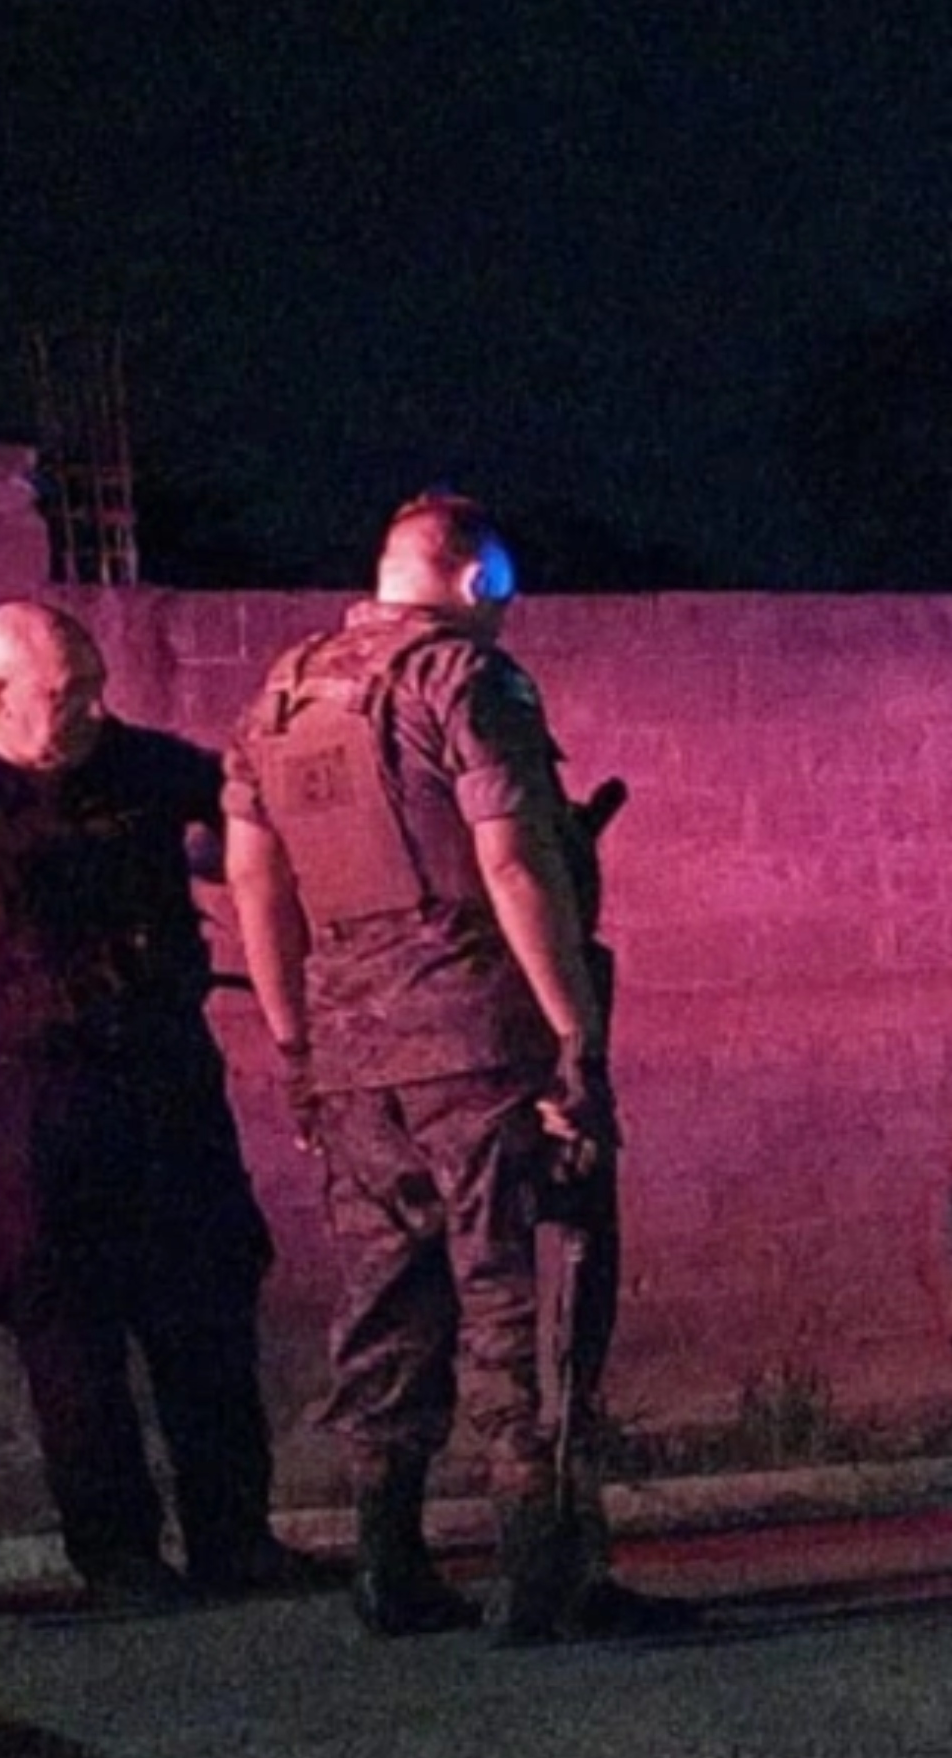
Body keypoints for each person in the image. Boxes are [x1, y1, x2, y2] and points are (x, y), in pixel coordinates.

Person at [222, 494, 686, 1643]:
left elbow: (257, 887)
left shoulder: (278, 697)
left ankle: (389, 1565)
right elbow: (516, 861)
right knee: (518, 1301)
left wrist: (294, 1045)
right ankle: (546, 1571)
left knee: (386, 1305)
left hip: (352, 1063)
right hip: (478, 1046)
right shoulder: (466, 682)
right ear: (475, 581)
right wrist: (573, 1036)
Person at [0, 600, 331, 1611]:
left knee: (206, 1306)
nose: (88, 708)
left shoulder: (150, 770)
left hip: (165, 1081)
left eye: (91, 685)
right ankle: (119, 1558)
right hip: (33, 1097)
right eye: (61, 695)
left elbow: (245, 846)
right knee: (68, 1329)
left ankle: (234, 1538)